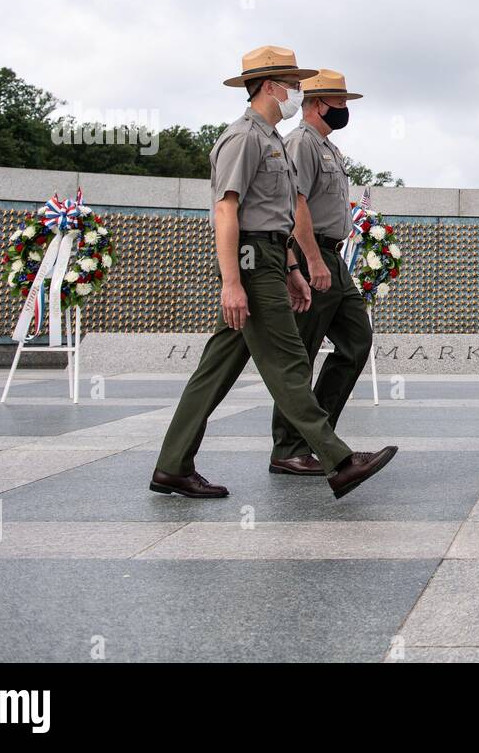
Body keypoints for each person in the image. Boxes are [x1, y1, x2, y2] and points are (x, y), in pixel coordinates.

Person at [150, 46, 396, 500]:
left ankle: (172, 466)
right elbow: (228, 211)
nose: (297, 93)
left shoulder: (272, 139)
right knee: (288, 364)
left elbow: (275, 215)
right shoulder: (243, 138)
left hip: (267, 259)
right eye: (293, 84)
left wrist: (290, 268)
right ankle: (338, 461)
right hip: (249, 263)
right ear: (269, 86)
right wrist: (231, 282)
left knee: (215, 370)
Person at [269, 70, 373, 474]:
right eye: (339, 103)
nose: (345, 111)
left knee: (356, 340)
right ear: (315, 104)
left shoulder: (328, 147)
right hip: (312, 256)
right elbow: (296, 205)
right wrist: (311, 260)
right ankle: (289, 450)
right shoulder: (300, 143)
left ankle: (319, 438)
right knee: (302, 353)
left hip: (333, 256)